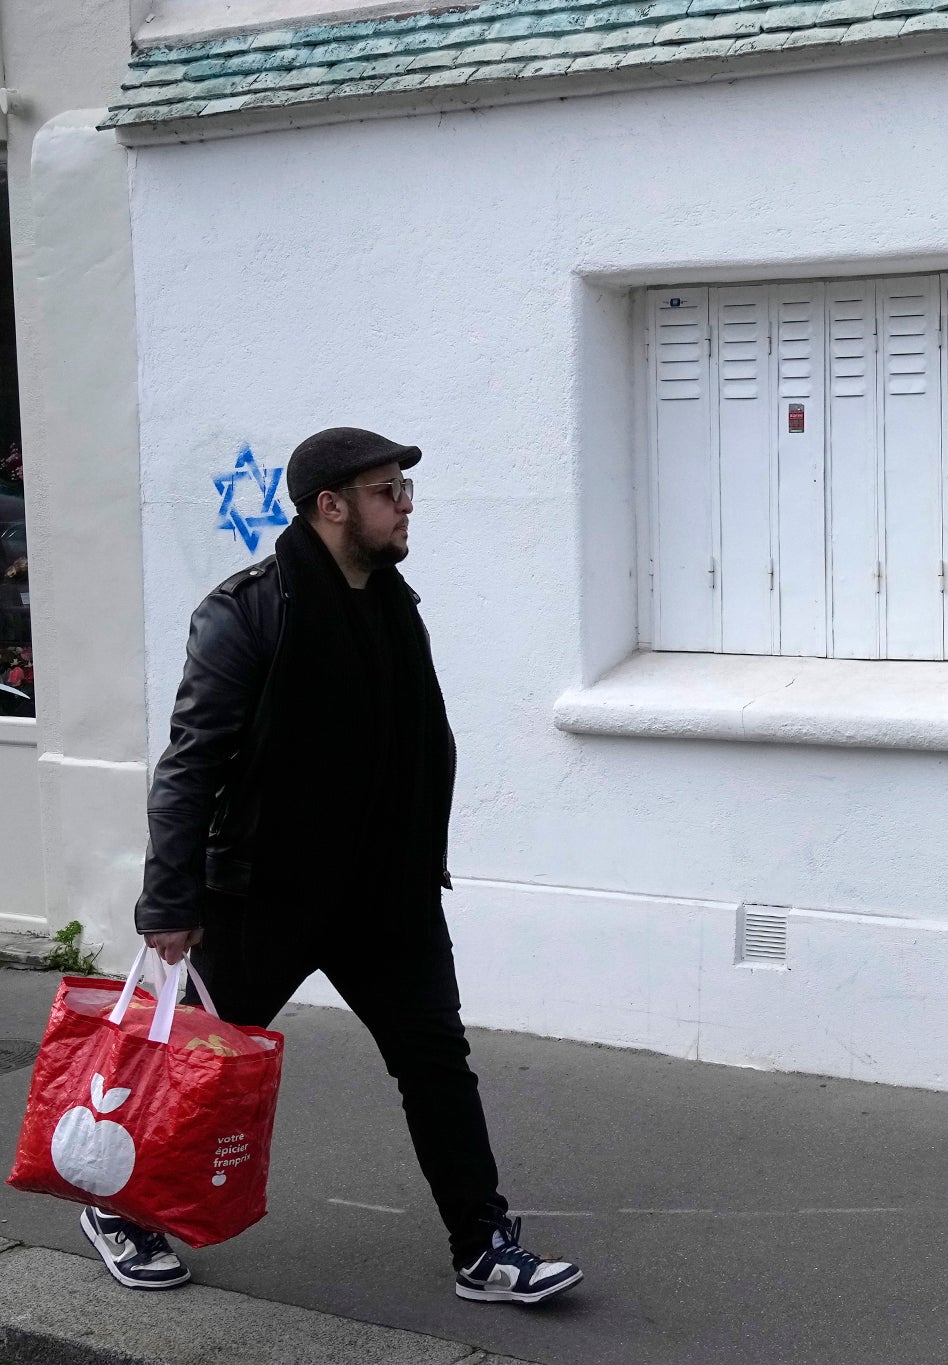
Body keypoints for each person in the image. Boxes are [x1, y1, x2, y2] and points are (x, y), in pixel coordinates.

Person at [91, 427, 582, 1305]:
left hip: (384, 895)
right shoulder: (248, 612)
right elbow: (192, 764)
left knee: (436, 1060)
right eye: (388, 489)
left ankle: (483, 1247)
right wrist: (169, 898)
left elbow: (411, 743)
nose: (405, 505)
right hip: (265, 895)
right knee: (200, 1061)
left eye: (403, 489)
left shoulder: (395, 605)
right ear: (332, 506)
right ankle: (120, 1207)